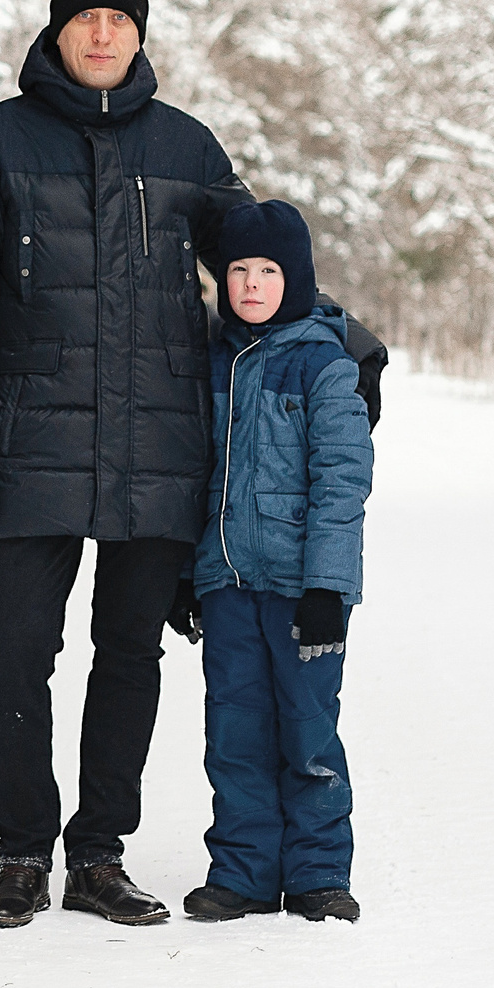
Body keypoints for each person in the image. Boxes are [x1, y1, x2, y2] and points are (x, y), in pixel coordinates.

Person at [0, 0, 252, 930]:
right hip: (28, 446)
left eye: (118, 17)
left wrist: (336, 340)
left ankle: (98, 856)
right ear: (57, 29)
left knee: (130, 653)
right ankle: (21, 853)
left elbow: (260, 273)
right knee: (16, 651)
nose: (101, 32)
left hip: (157, 447)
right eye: (84, 17)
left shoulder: (188, 151)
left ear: (140, 31)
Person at [180, 199, 373, 926]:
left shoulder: (324, 364)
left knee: (307, 730)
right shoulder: (213, 363)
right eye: (238, 271)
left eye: (267, 271)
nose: (252, 284)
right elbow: (198, 475)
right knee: (234, 735)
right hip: (227, 582)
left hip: (303, 593)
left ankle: (319, 873)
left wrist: (327, 583)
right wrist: (186, 573)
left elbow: (343, 479)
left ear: (294, 277)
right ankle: (245, 873)